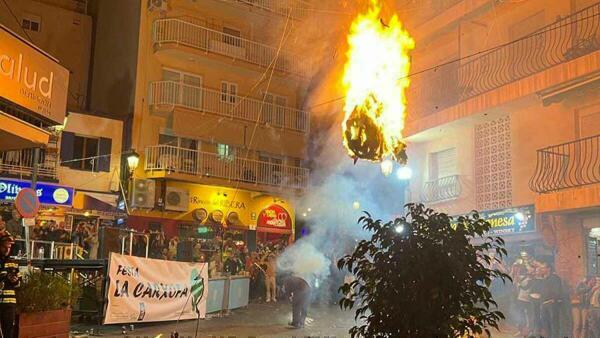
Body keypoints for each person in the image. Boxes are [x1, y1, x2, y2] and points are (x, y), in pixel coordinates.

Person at [0, 231, 21, 338]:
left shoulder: (13, 263)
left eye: (9, 247)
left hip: (9, 304)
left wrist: (15, 280)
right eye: (5, 247)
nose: (7, 250)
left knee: (8, 330)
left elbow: (19, 284)